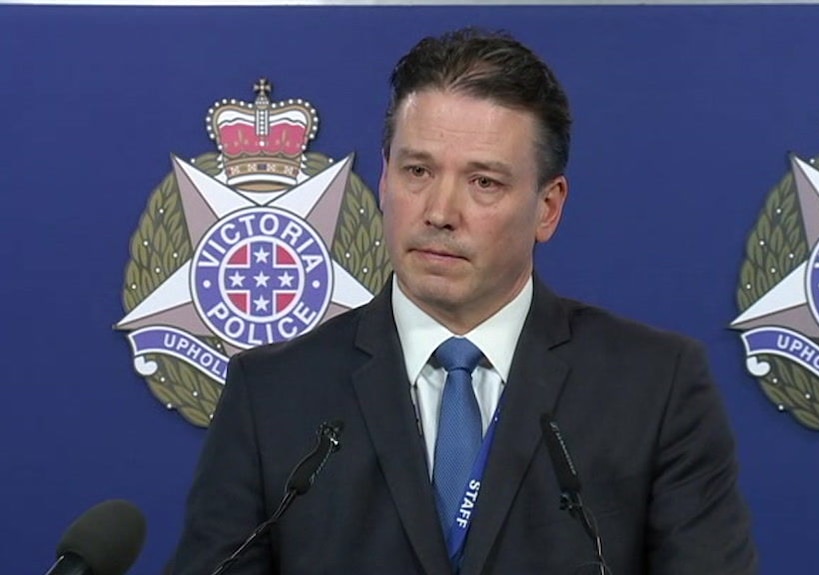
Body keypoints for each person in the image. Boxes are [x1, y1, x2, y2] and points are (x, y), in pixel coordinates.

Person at [172, 28, 757, 574]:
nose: (440, 212)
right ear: (383, 179)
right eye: (418, 170)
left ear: (548, 207)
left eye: (484, 182)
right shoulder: (272, 394)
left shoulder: (654, 387)